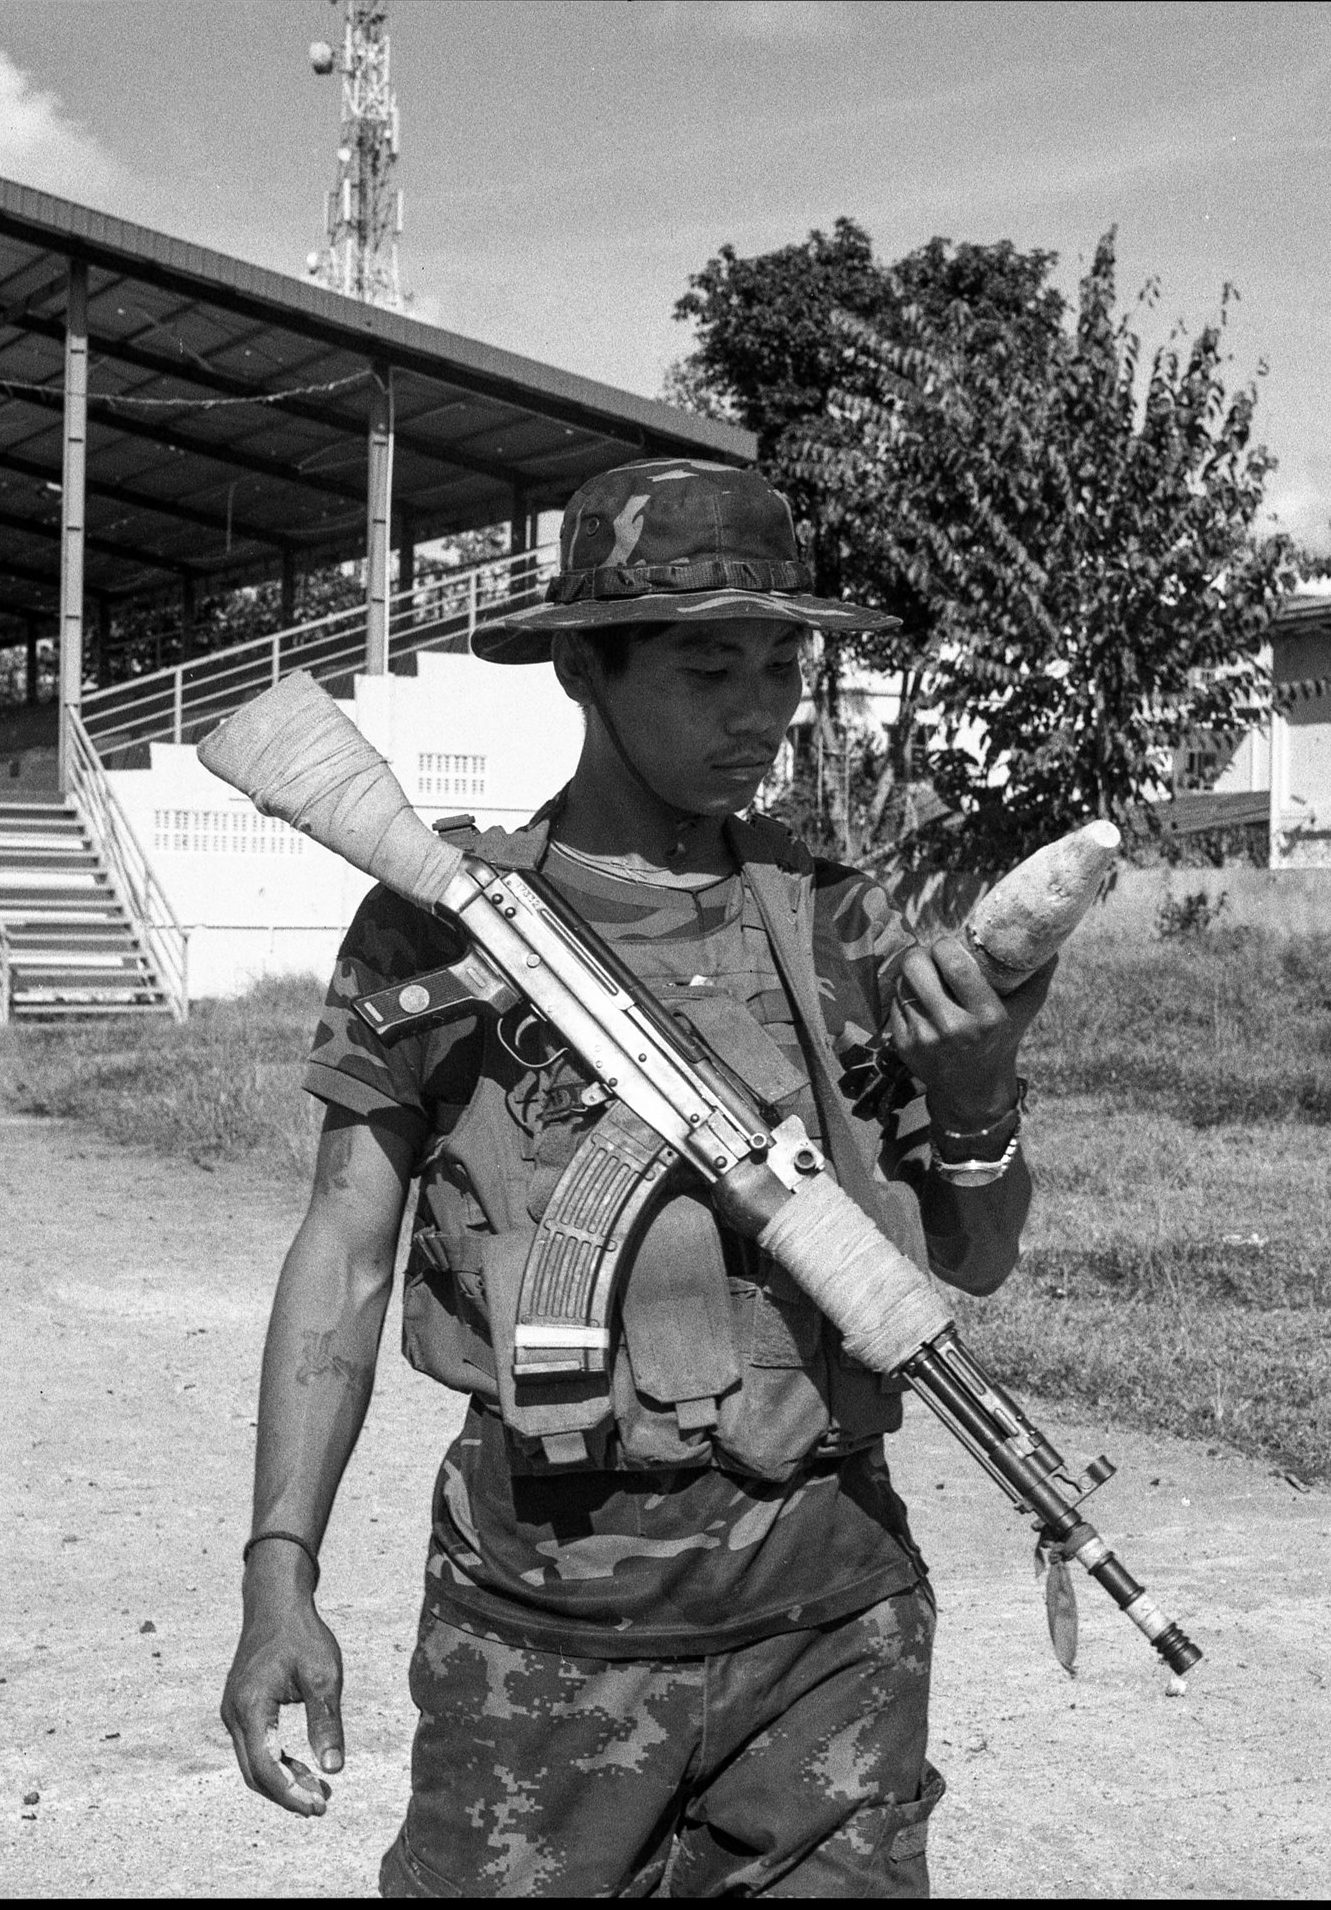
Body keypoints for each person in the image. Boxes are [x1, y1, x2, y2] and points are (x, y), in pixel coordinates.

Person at [219, 460, 1053, 1898]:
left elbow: (966, 1261)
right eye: (709, 664)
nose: (762, 710)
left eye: (786, 665)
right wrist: (277, 1566)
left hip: (829, 1627)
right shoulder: (438, 928)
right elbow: (349, 1249)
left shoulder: (842, 928)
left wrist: (978, 1091)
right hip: (542, 1643)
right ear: (581, 672)